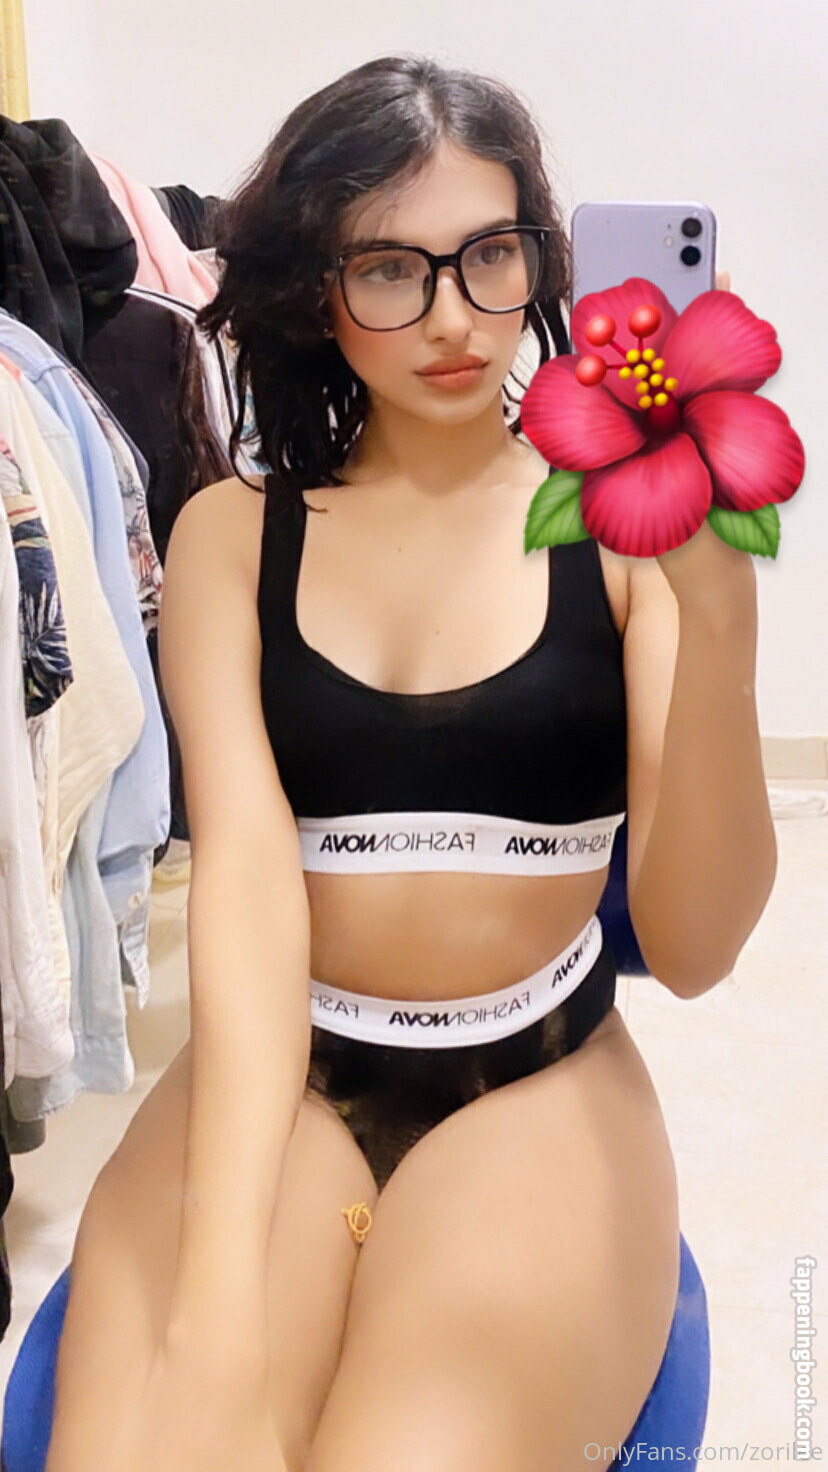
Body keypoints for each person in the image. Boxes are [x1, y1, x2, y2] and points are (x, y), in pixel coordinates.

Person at [44, 54, 777, 1472]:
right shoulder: (233, 539)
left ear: (541, 261)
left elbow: (694, 949)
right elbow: (249, 888)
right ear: (316, 290)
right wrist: (216, 1307)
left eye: (489, 256)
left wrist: (724, 624)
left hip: (538, 1084)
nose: (450, 317)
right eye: (390, 269)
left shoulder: (618, 537)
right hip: (280, 1074)